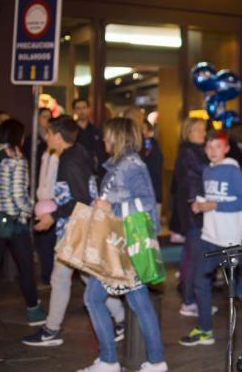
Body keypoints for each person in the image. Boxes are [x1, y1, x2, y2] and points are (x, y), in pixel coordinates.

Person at [22, 116, 125, 347]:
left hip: (76, 227)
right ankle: (120, 319)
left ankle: (52, 330)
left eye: (48, 133)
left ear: (58, 136)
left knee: (69, 278)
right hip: (77, 225)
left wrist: (53, 215)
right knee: (87, 278)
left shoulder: (69, 160)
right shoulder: (77, 153)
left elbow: (81, 198)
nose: (46, 137)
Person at [79, 117, 168, 372]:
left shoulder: (131, 165)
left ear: (117, 137)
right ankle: (155, 360)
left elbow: (146, 204)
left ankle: (110, 360)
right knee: (138, 303)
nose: (103, 140)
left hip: (122, 245)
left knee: (94, 298)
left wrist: (111, 206)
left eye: (107, 136)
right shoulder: (123, 165)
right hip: (119, 244)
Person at [179, 130, 242, 346]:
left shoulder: (233, 170)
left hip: (229, 241)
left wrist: (213, 205)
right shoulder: (208, 171)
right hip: (209, 235)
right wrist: (201, 204)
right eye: (209, 146)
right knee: (199, 282)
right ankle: (205, 330)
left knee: (237, 287)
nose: (213, 151)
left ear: (226, 149)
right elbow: (215, 197)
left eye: (218, 146)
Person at [0, 119, 45, 325]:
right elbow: (18, 195)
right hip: (14, 221)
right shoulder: (17, 159)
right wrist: (31, 209)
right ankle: (34, 311)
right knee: (26, 267)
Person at [172, 118, 209, 317]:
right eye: (197, 130)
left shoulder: (193, 151)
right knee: (194, 258)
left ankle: (195, 299)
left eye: (203, 129)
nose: (202, 133)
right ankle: (189, 300)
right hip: (195, 212)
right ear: (188, 132)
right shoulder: (189, 153)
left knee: (191, 256)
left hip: (194, 211)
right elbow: (194, 181)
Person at [23, 107, 55, 284]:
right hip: (35, 196)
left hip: (49, 200)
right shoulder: (31, 142)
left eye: (49, 118)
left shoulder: (52, 146)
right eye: (43, 117)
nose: (46, 121)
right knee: (40, 239)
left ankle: (48, 275)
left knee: (48, 241)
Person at [73, 98, 107, 180]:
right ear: (74, 111)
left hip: (94, 174)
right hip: (76, 173)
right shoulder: (71, 131)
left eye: (84, 108)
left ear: (89, 109)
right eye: (78, 108)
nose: (81, 111)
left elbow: (101, 153)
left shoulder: (96, 131)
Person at [141, 120, 163, 222]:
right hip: (149, 191)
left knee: (150, 226)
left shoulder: (149, 144)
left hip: (152, 189)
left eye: (143, 129)